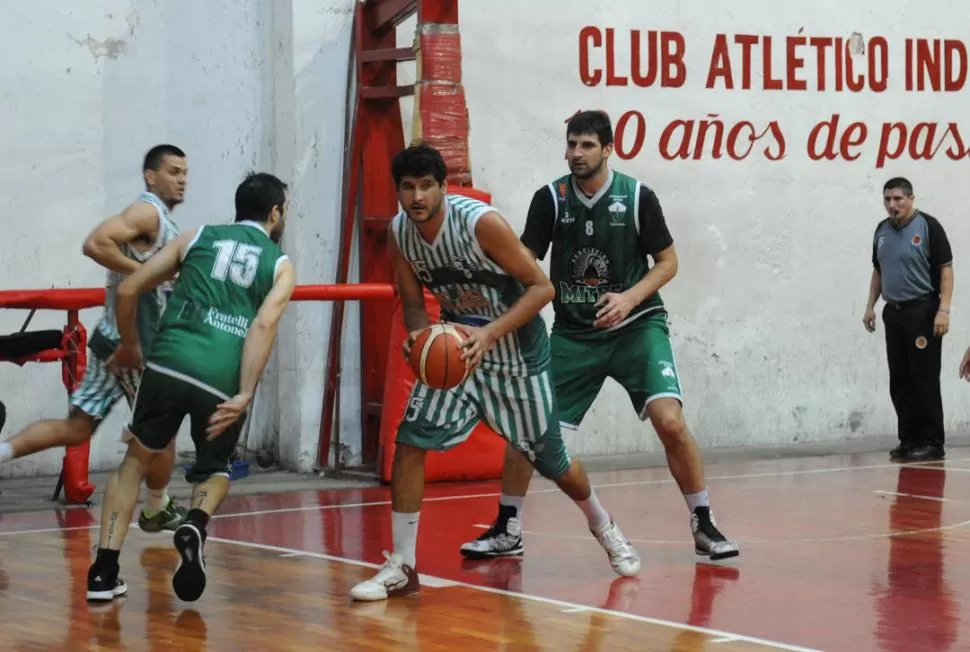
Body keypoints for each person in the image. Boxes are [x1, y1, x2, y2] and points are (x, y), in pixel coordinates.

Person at [349, 144, 640, 603]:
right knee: (410, 443)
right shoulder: (400, 233)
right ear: (398, 192)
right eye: (407, 187)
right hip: (458, 353)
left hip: (515, 354)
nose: (417, 196)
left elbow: (541, 288)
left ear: (444, 187)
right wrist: (419, 339)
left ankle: (603, 524)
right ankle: (402, 565)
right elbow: (410, 303)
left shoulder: (479, 223)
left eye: (427, 186)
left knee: (554, 463)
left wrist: (489, 335)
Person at [460, 110, 739, 562]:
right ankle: (508, 526)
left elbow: (668, 263)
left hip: (637, 326)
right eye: (571, 144)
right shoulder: (550, 199)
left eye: (587, 145)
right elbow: (524, 260)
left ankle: (704, 521)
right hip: (574, 334)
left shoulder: (636, 198)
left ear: (608, 149)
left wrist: (628, 298)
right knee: (528, 429)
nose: (576, 153)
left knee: (670, 421)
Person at [85, 171, 295, 603]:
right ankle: (194, 523)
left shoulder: (197, 235)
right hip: (220, 375)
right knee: (214, 470)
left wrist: (130, 345)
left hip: (169, 361)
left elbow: (130, 288)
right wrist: (245, 392)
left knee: (135, 461)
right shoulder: (279, 263)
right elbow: (263, 324)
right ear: (275, 214)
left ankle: (103, 573)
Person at [0, 144, 188, 531]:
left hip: (112, 339)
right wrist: (147, 272)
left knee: (78, 428)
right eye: (173, 171)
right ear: (150, 175)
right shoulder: (146, 210)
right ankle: (156, 506)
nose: (181, 180)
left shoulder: (159, 221)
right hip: (135, 346)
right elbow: (94, 243)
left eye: (184, 173)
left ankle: (0, 451)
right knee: (163, 434)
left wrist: (147, 272)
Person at [865, 177, 952, 461]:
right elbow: (878, 271)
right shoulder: (881, 231)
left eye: (898, 199)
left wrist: (944, 310)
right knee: (900, 378)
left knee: (923, 378)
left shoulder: (928, 226)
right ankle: (910, 439)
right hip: (895, 313)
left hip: (923, 312)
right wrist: (870, 307)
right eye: (888, 199)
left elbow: (945, 270)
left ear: (911, 198)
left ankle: (931, 441)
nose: (893, 205)